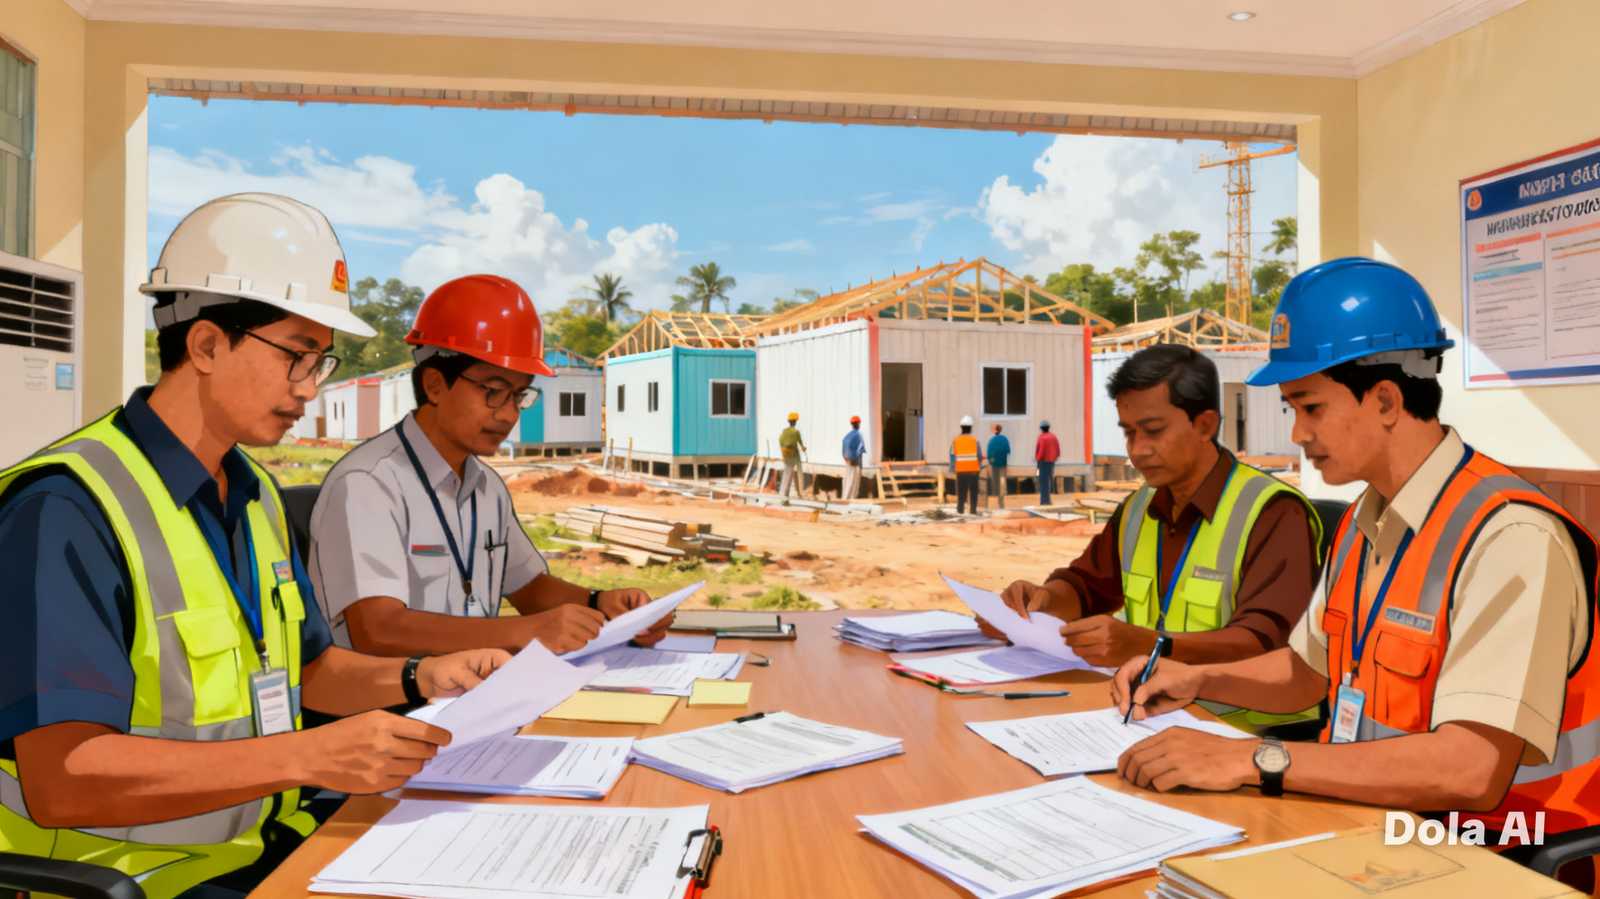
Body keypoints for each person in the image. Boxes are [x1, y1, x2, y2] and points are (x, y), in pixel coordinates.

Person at [0, 194, 507, 899]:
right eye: (299, 356)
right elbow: (63, 778)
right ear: (207, 344)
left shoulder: (255, 495)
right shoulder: (66, 509)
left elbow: (311, 668)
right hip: (142, 879)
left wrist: (422, 674)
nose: (309, 388)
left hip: (271, 844)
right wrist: (309, 754)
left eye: (321, 363)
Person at [1113, 259, 1599, 879]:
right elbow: (1307, 673)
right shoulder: (1367, 519)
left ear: (1387, 399)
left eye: (1309, 407)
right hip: (1379, 834)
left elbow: (1471, 770)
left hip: (1502, 862)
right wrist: (1198, 680)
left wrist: (1251, 758)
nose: (1298, 433)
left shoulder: (1510, 538)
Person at [309, 275, 669, 657]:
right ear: (434, 385)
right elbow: (378, 630)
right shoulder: (368, 484)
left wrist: (600, 603)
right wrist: (528, 631)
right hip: (393, 706)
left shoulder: (486, 486)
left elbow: (530, 588)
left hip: (472, 690)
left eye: (519, 395)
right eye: (494, 392)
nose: (509, 414)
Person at [986, 345, 1322, 730]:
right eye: (1128, 432)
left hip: (1250, 734)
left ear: (1205, 425)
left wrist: (1151, 645)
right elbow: (1086, 587)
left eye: (1154, 430)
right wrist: (1045, 599)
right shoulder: (1138, 508)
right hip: (1149, 718)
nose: (1137, 450)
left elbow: (1265, 644)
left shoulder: (1273, 513)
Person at [951, 415, 983, 514]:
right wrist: (979, 466)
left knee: (961, 492)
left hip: (960, 470)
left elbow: (953, 455)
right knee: (973, 491)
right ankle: (973, 510)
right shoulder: (974, 440)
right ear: (971, 428)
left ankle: (960, 510)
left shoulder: (956, 441)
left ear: (961, 427)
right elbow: (979, 455)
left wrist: (953, 469)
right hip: (973, 470)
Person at [778, 412, 806, 501]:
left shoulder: (784, 431)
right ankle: (799, 492)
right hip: (793, 455)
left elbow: (781, 440)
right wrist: (803, 448)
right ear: (795, 422)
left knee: (787, 473)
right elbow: (799, 442)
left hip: (785, 454)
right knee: (797, 473)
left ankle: (783, 492)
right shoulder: (796, 432)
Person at [1035, 420, 1061, 506]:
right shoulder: (1053, 437)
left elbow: (1039, 450)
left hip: (1042, 462)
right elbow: (1057, 449)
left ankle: (1043, 500)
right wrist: (1055, 456)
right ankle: (1048, 500)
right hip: (1051, 462)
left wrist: (1037, 459)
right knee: (1049, 480)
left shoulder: (1041, 437)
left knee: (1043, 482)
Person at [986, 423, 1011, 510]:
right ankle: (1002, 496)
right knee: (1002, 479)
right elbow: (1008, 451)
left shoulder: (992, 440)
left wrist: (990, 459)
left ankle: (995, 495)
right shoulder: (1005, 439)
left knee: (995, 479)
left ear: (994, 430)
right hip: (1003, 462)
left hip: (994, 463)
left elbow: (989, 452)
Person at [841, 414, 865, 500]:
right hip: (855, 463)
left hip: (849, 462)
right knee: (854, 482)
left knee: (847, 480)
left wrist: (846, 459)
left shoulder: (848, 436)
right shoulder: (858, 436)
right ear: (858, 424)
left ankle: (845, 497)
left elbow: (843, 450)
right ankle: (851, 499)